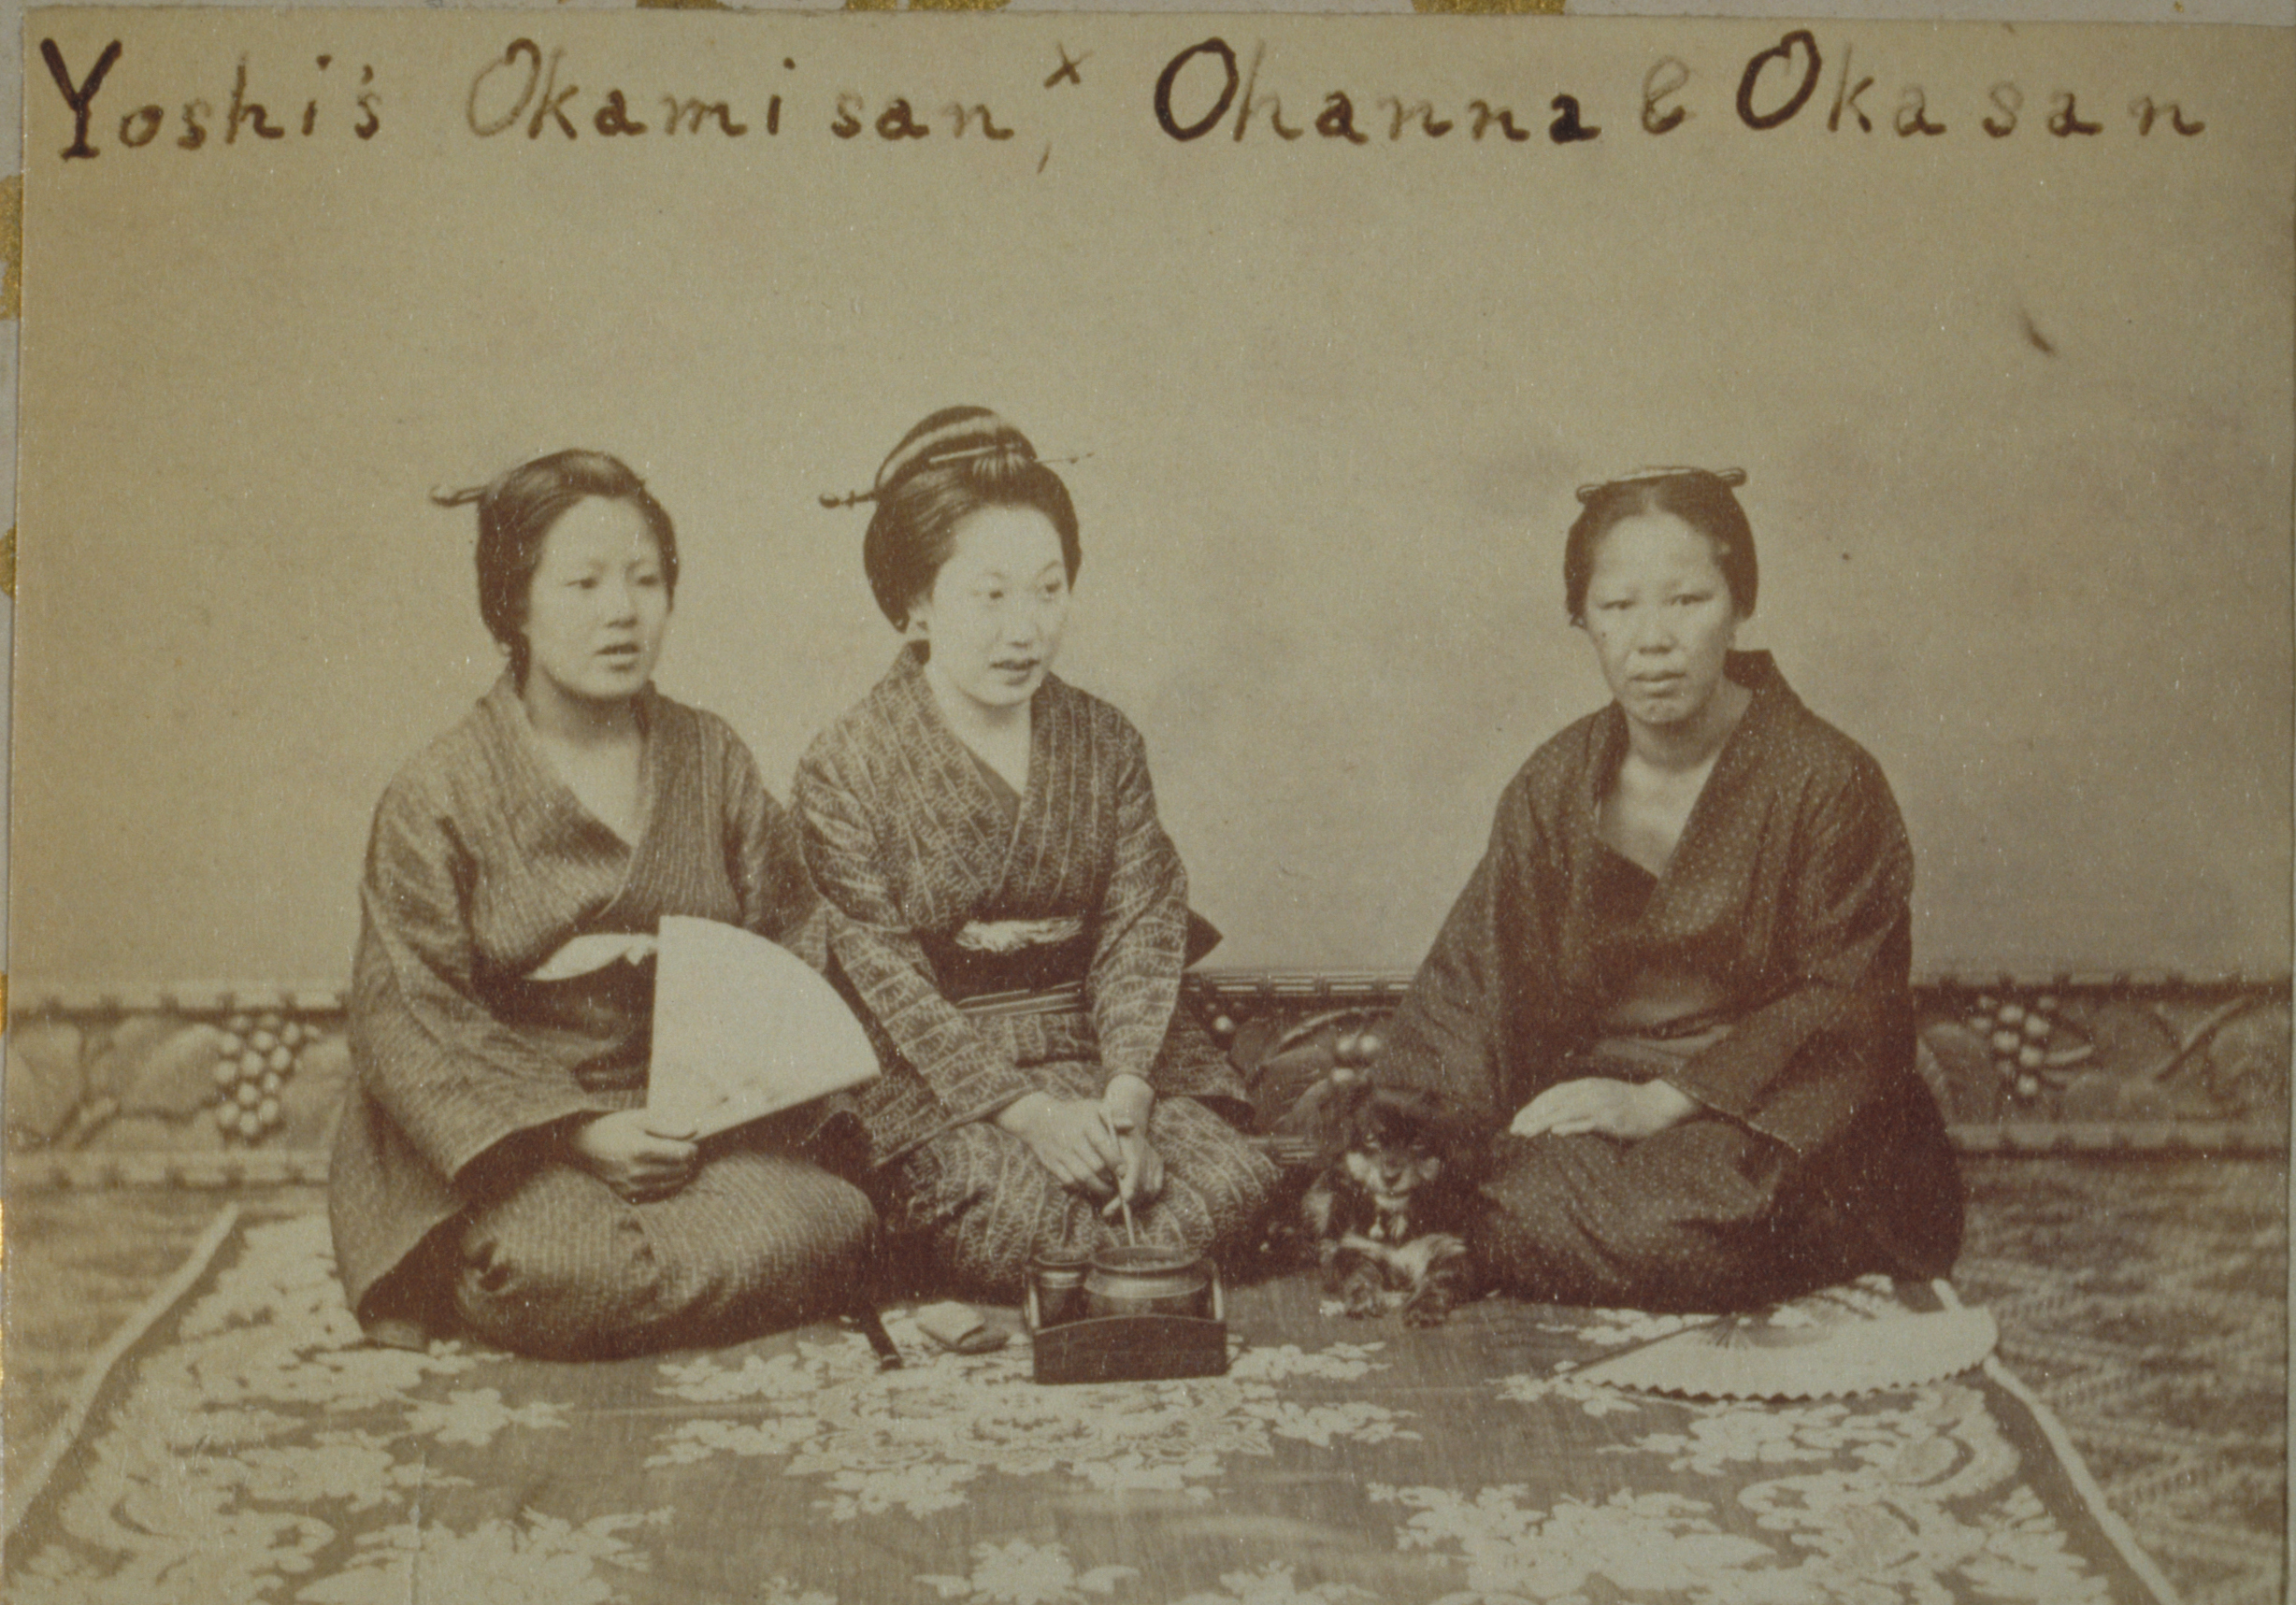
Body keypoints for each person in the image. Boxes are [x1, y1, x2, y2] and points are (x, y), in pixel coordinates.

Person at [1372, 466, 1963, 1312]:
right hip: (1609, 1107)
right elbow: (1479, 978)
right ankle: (1507, 1211)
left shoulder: (1827, 782)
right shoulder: (1553, 785)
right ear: (1583, 620)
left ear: (1740, 603)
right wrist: (1418, 1137)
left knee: (1686, 1224)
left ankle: (1514, 1226)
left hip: (1779, 1118)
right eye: (1618, 608)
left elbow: (1847, 1005)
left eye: (1687, 600)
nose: (1654, 640)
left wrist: (1662, 1102)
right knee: (1469, 1173)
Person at [329, 450, 878, 1359]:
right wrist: (581, 1132)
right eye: (582, 582)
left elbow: (789, 937)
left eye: (646, 580)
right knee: (558, 1265)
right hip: (517, 1138)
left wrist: (709, 1103)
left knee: (840, 1217)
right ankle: (556, 1270)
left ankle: (611, 1286)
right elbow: (409, 1015)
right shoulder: (438, 792)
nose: (621, 612)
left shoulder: (710, 757)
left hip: (685, 1121)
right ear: (513, 601)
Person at [793, 408, 1278, 1299]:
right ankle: (1124, 1267)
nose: (1027, 630)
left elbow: (1141, 922)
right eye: (991, 595)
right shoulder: (845, 765)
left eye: (1048, 590)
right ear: (914, 604)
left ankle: (1126, 1246)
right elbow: (884, 976)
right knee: (1019, 1221)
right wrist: (1027, 1116)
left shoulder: (1104, 741)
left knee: (1231, 1184)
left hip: (1100, 1042)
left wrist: (1128, 1097)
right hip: (944, 1070)